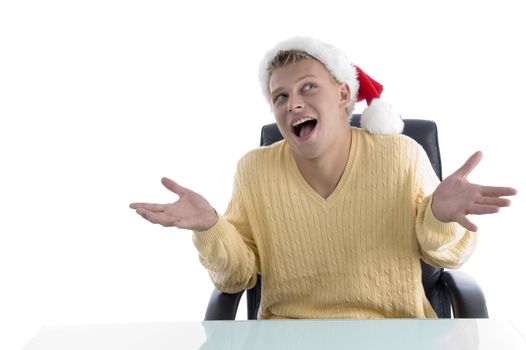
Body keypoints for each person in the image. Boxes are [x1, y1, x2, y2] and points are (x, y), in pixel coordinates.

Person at [130, 36, 517, 319]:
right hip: (289, 336)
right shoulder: (255, 169)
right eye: (280, 97)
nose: (293, 103)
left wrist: (438, 217)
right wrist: (211, 227)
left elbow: (447, 254)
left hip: (394, 334)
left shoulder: (400, 154)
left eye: (308, 87)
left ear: (343, 94)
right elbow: (237, 277)